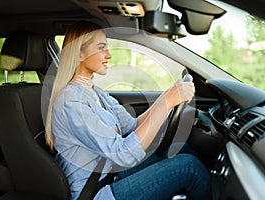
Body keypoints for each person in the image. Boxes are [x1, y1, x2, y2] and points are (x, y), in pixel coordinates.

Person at [45, 21, 210, 200]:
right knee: (188, 167)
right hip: (96, 192)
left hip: (110, 174)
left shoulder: (96, 92)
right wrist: (167, 103)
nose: (108, 55)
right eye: (101, 48)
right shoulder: (71, 102)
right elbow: (124, 155)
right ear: (80, 54)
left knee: (180, 148)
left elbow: (132, 125)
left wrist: (166, 98)